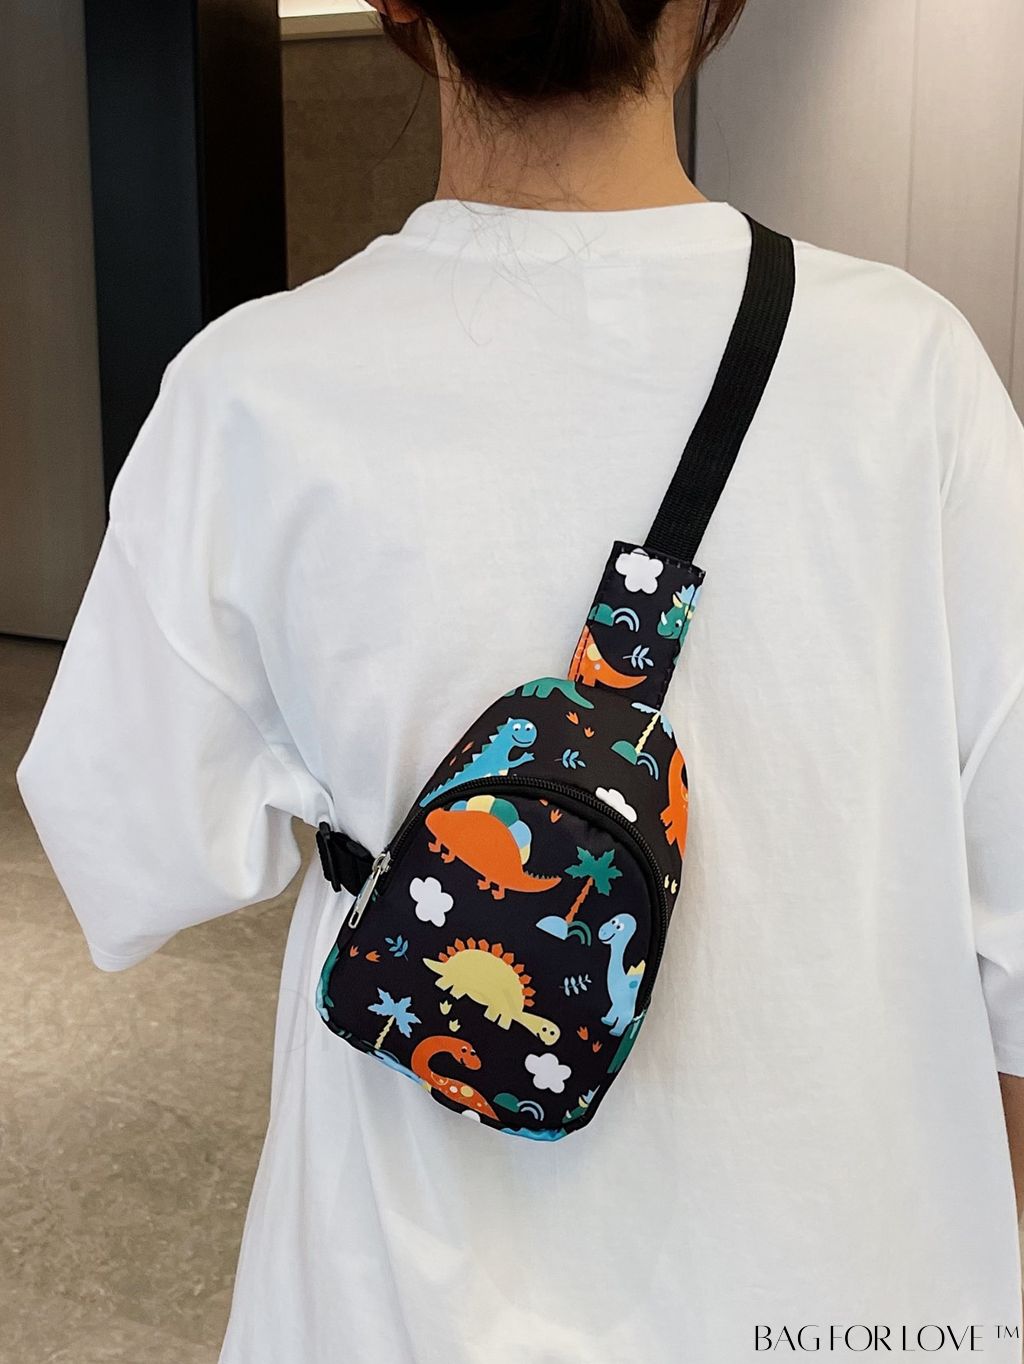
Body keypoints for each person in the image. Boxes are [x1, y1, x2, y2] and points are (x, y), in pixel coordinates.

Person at [15, 1, 1024, 1359]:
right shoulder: (913, 371)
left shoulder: (249, 393)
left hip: (394, 1301)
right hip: (835, 1291)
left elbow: (130, 845)